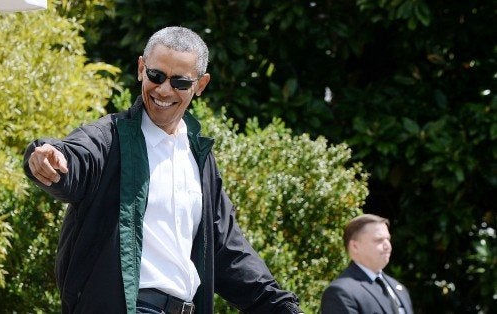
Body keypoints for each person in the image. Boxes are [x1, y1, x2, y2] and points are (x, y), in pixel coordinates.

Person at [23, 26, 303, 314]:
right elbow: (75, 159)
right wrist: (49, 158)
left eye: (180, 82)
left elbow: (227, 251)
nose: (164, 90)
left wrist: (281, 306)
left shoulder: (199, 158)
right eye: (156, 76)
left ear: (200, 85)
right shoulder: (110, 138)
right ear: (141, 68)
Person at [320, 214, 413, 314]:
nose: (388, 246)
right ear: (355, 246)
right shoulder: (340, 292)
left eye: (388, 239)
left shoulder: (398, 288)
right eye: (379, 240)